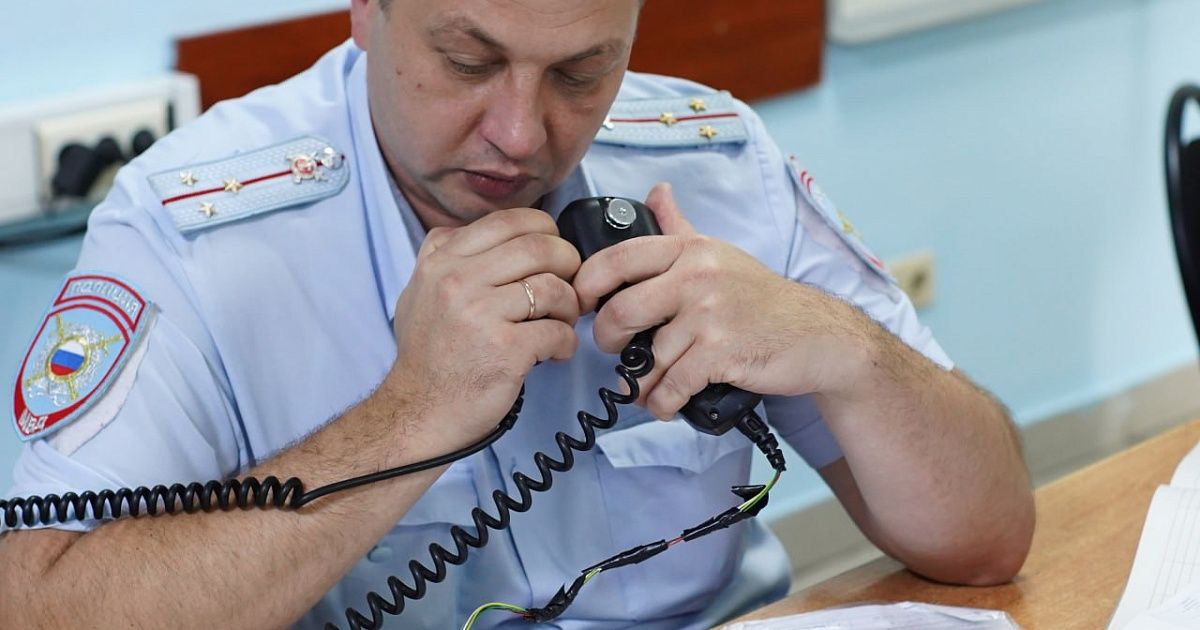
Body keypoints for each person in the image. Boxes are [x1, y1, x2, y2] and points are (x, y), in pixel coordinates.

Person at [0, 1, 1034, 628]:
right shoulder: (192, 231)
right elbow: (41, 607)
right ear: (365, 9)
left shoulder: (716, 161)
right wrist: (408, 418)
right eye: (469, 61)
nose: (521, 135)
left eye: (582, 73)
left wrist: (843, 348)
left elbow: (990, 540)